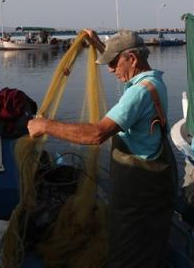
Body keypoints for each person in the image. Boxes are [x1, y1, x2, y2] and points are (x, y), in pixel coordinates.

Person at [27, 29, 177, 268]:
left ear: (133, 59)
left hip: (141, 193)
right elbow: (120, 62)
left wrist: (45, 126)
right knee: (148, 246)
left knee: (128, 253)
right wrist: (98, 43)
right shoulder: (153, 80)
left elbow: (96, 134)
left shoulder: (137, 94)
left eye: (114, 63)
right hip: (154, 187)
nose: (110, 69)